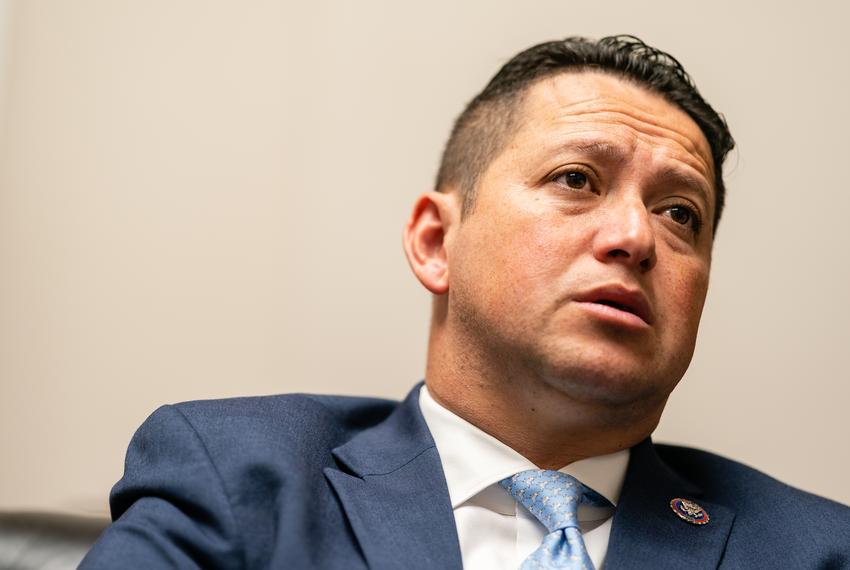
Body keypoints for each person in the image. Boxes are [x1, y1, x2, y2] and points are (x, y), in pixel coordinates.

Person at [81, 35, 850, 569]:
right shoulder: (240, 474)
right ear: (435, 242)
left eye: (681, 212)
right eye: (576, 179)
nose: (635, 236)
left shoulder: (816, 549)